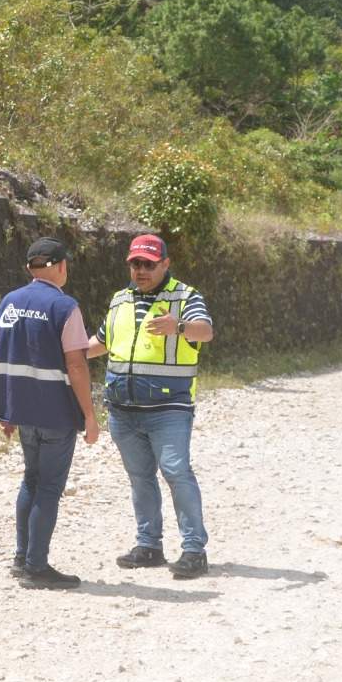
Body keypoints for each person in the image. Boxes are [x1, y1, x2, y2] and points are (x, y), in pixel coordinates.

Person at [84, 234, 215, 579]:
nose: (140, 270)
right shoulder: (119, 299)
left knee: (176, 472)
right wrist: (67, 354)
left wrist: (179, 327)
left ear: (165, 264)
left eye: (148, 264)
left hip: (168, 408)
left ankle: (194, 550)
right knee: (140, 478)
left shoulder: (185, 297)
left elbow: (205, 332)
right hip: (123, 409)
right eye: (135, 263)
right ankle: (149, 546)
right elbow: (101, 342)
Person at [0, 237, 100, 589]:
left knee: (31, 481)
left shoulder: (8, 302)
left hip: (23, 412)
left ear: (29, 268)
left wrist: (7, 410)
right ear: (62, 266)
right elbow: (76, 365)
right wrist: (89, 415)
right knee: (49, 487)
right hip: (55, 412)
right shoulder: (65, 307)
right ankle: (36, 567)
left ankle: (22, 558)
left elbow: (2, 356)